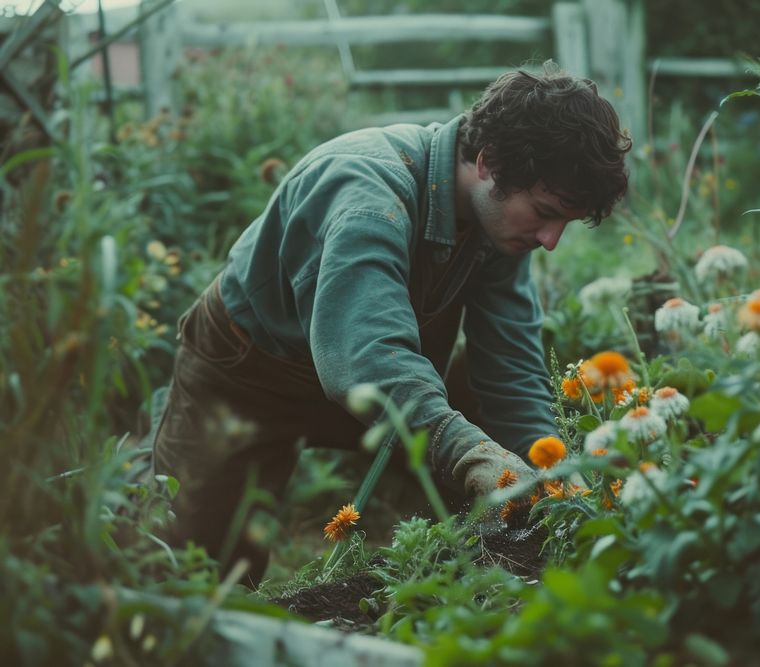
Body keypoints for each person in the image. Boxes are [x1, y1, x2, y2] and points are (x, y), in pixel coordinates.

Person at [150, 61, 631, 585]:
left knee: (492, 430)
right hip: (247, 368)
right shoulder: (367, 196)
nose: (551, 239)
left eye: (564, 221)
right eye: (544, 212)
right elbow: (366, 356)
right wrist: (469, 454)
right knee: (198, 568)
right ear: (489, 162)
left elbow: (511, 367)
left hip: (376, 373)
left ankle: (486, 578)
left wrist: (553, 474)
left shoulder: (501, 222)